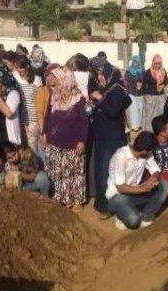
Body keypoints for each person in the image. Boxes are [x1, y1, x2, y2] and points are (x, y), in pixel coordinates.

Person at [42, 67, 89, 209]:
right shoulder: (54, 95)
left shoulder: (79, 99)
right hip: (54, 142)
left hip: (73, 143)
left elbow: (84, 122)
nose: (53, 81)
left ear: (64, 79)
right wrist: (44, 133)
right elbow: (48, 117)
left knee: (74, 172)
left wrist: (82, 141)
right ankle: (59, 197)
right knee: (57, 172)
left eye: (56, 78)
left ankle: (75, 200)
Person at [89, 59, 131, 214]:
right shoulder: (105, 88)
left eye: (101, 74)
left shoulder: (117, 89)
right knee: (100, 169)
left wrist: (100, 99)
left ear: (108, 72)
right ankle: (102, 203)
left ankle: (110, 205)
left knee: (109, 170)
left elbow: (113, 112)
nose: (99, 77)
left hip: (112, 137)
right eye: (97, 74)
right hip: (101, 135)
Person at [106, 131, 168, 230]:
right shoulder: (121, 156)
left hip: (135, 193)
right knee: (134, 221)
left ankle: (146, 216)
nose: (150, 153)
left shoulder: (145, 154)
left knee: (164, 185)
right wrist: (143, 188)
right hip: (117, 196)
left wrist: (153, 178)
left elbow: (156, 170)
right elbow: (121, 187)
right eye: (149, 151)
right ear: (144, 150)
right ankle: (120, 214)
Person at [13, 56, 42, 152]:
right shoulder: (15, 78)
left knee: (32, 148)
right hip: (18, 118)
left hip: (32, 119)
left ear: (27, 66)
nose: (18, 70)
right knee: (20, 148)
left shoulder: (37, 80)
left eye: (20, 67)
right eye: (16, 67)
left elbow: (39, 101)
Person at [34, 63, 60, 162]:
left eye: (55, 75)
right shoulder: (42, 91)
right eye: (50, 75)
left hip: (59, 131)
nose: (52, 78)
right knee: (45, 160)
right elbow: (40, 114)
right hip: (46, 130)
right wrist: (43, 133)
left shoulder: (63, 91)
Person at [142, 54, 168, 131]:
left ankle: (158, 131)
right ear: (153, 63)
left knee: (160, 114)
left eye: (159, 63)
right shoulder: (148, 72)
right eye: (156, 63)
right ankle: (149, 131)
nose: (157, 65)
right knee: (150, 115)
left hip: (160, 96)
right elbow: (144, 85)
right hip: (151, 97)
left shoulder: (163, 71)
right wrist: (146, 94)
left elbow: (166, 81)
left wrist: (163, 85)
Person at [125, 55, 144, 133]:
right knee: (133, 109)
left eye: (137, 62)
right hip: (132, 92)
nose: (136, 63)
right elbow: (127, 80)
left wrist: (141, 84)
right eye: (134, 62)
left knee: (141, 108)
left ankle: (140, 124)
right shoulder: (128, 71)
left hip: (141, 92)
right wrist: (136, 84)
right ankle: (134, 126)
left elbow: (145, 79)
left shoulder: (142, 70)